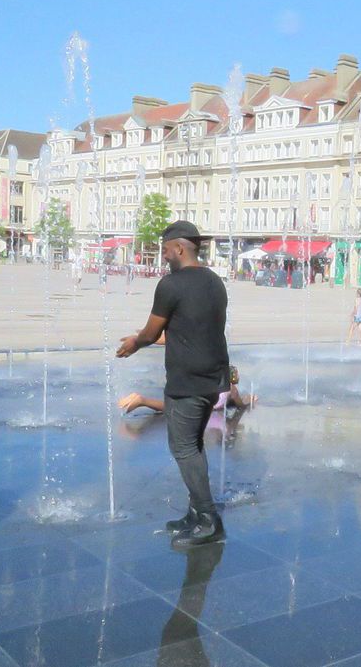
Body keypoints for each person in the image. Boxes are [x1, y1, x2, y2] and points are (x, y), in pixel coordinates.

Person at [116, 221, 229, 549]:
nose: (163, 256)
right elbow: (196, 327)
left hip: (187, 379)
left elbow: (151, 333)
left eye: (166, 250)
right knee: (193, 446)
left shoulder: (171, 285)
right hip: (213, 378)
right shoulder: (215, 282)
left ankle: (208, 520)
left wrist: (134, 343)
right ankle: (196, 514)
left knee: (182, 448)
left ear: (180, 248)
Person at [119, 364, 253, 414]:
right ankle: (141, 400)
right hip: (198, 407)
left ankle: (138, 399)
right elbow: (241, 405)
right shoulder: (232, 389)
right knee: (169, 409)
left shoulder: (216, 383)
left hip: (195, 394)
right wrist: (250, 401)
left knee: (172, 405)